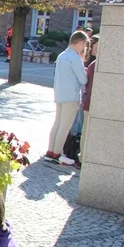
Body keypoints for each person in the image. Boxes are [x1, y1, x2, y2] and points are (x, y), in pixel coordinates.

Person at [45, 30, 88, 166]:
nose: (84, 48)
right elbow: (83, 79)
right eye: (84, 44)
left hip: (60, 93)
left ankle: (50, 151)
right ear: (81, 42)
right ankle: (57, 153)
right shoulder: (74, 58)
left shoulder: (62, 55)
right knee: (65, 125)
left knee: (57, 122)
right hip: (71, 95)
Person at [80, 36, 98, 165]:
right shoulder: (94, 65)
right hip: (90, 103)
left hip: (92, 102)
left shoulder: (94, 64)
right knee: (86, 132)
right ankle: (82, 158)